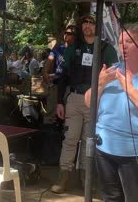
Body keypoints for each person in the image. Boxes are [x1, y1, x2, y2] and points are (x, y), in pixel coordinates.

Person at [51, 14, 118, 193]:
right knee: (70, 139)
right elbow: (63, 76)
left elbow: (115, 75)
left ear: (97, 26)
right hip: (74, 98)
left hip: (96, 100)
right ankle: (63, 176)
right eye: (84, 23)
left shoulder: (106, 48)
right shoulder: (73, 48)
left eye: (91, 22)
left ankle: (86, 178)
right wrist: (59, 102)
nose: (87, 26)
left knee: (89, 140)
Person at [83, 23, 138, 202]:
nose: (123, 47)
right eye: (120, 42)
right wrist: (99, 84)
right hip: (104, 147)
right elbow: (88, 101)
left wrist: (128, 88)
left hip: (132, 151)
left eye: (128, 42)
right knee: (111, 198)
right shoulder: (112, 70)